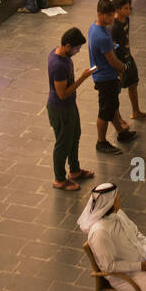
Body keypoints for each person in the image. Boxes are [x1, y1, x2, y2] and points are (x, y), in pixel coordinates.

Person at [47, 27, 96, 191]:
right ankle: (59, 179)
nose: (77, 51)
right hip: (61, 109)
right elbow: (62, 93)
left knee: (74, 136)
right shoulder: (58, 65)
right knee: (63, 143)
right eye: (76, 48)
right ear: (68, 46)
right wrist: (82, 78)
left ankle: (74, 170)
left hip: (70, 106)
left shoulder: (61, 54)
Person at [88, 0, 137, 156]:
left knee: (112, 106)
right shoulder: (102, 36)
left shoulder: (94, 28)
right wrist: (123, 68)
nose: (111, 18)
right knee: (105, 111)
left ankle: (121, 133)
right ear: (100, 14)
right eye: (108, 16)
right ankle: (101, 142)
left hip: (105, 75)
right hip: (105, 77)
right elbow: (112, 60)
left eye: (112, 14)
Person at [111, 0, 146, 125]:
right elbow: (114, 46)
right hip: (119, 61)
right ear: (117, 10)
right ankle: (118, 118)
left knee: (133, 83)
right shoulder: (114, 26)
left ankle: (136, 111)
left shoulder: (126, 20)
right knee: (115, 92)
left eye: (129, 8)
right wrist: (119, 67)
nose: (128, 11)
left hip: (128, 57)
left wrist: (128, 52)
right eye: (125, 9)